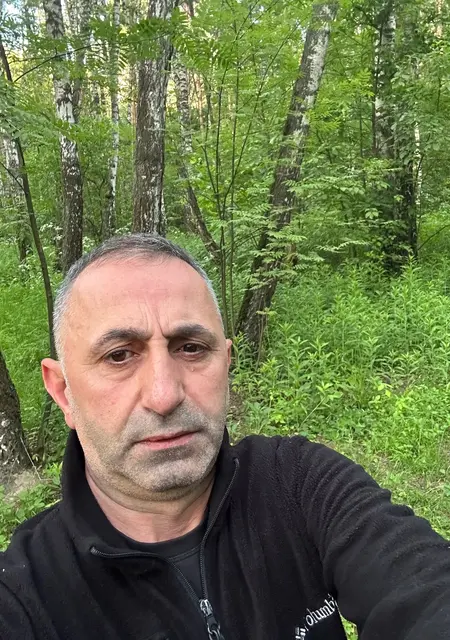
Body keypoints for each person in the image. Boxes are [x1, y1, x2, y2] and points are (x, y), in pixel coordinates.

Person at [0, 234, 449, 640]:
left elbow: (427, 592)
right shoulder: (25, 595)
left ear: (226, 363)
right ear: (63, 391)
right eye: (119, 356)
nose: (164, 396)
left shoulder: (301, 485)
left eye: (191, 348)